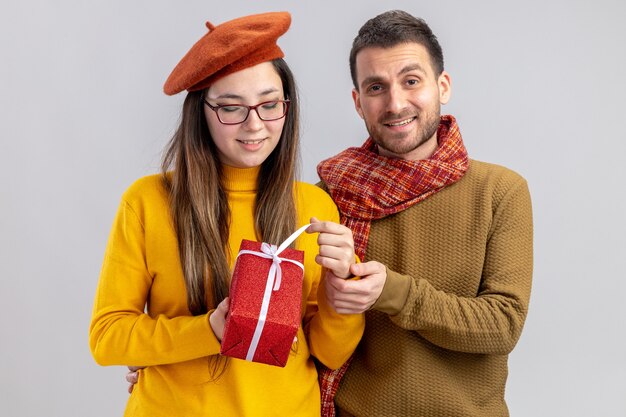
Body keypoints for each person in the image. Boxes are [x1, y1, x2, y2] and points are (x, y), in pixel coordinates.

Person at [89, 12, 364, 417]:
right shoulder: (148, 202)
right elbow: (107, 337)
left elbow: (329, 353)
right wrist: (209, 330)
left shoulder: (314, 209)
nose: (255, 125)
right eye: (232, 108)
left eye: (270, 105)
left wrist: (342, 295)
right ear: (201, 111)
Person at [314, 10, 534, 417]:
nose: (395, 103)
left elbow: (503, 325)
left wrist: (390, 293)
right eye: (376, 87)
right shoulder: (328, 195)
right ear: (358, 102)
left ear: (442, 86)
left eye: (411, 81)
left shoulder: (499, 191)